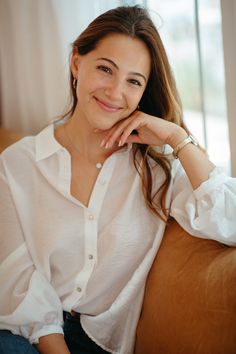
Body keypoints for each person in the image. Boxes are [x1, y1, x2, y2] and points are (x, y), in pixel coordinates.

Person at [0, 5, 235, 354]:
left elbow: (229, 219)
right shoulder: (17, 163)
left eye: (133, 81)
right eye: (105, 69)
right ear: (77, 63)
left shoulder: (158, 169)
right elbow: (18, 280)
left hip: (103, 341)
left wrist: (176, 137)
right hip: (25, 332)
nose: (114, 92)